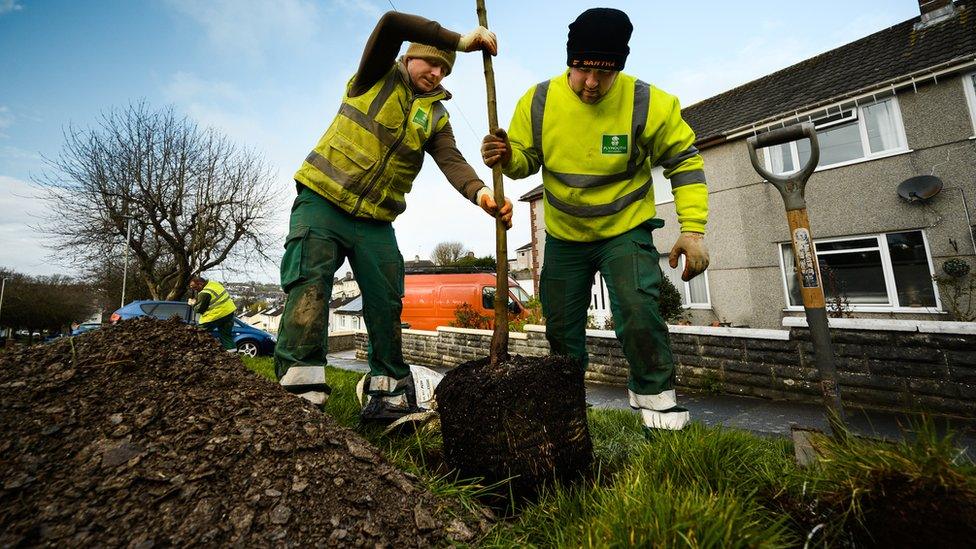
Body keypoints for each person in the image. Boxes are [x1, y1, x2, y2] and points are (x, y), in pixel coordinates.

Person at [275, 11, 512, 422]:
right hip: (323, 201)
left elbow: (452, 161)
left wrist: (483, 194)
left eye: (445, 68)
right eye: (431, 62)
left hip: (375, 221)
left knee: (386, 301)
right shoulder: (375, 74)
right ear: (410, 57)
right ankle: (300, 391)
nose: (437, 73)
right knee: (310, 284)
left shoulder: (437, 116)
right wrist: (461, 41)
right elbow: (390, 23)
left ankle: (388, 395)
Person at [481, 8, 709, 431]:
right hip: (566, 236)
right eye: (582, 68)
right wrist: (507, 156)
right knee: (562, 327)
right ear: (570, 61)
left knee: (639, 312)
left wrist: (692, 230)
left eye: (604, 73)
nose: (591, 83)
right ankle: (568, 410)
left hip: (625, 229)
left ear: (619, 66)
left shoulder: (649, 103)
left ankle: (658, 407)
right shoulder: (539, 101)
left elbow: (685, 164)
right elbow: (525, 161)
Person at [189, 275, 238, 353]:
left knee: (199, 332)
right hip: (229, 313)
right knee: (226, 335)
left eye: (195, 288)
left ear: (200, 284)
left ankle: (198, 352)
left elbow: (199, 309)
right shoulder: (214, 284)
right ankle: (233, 355)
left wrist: (193, 304)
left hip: (216, 315)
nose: (195, 290)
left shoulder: (205, 293)